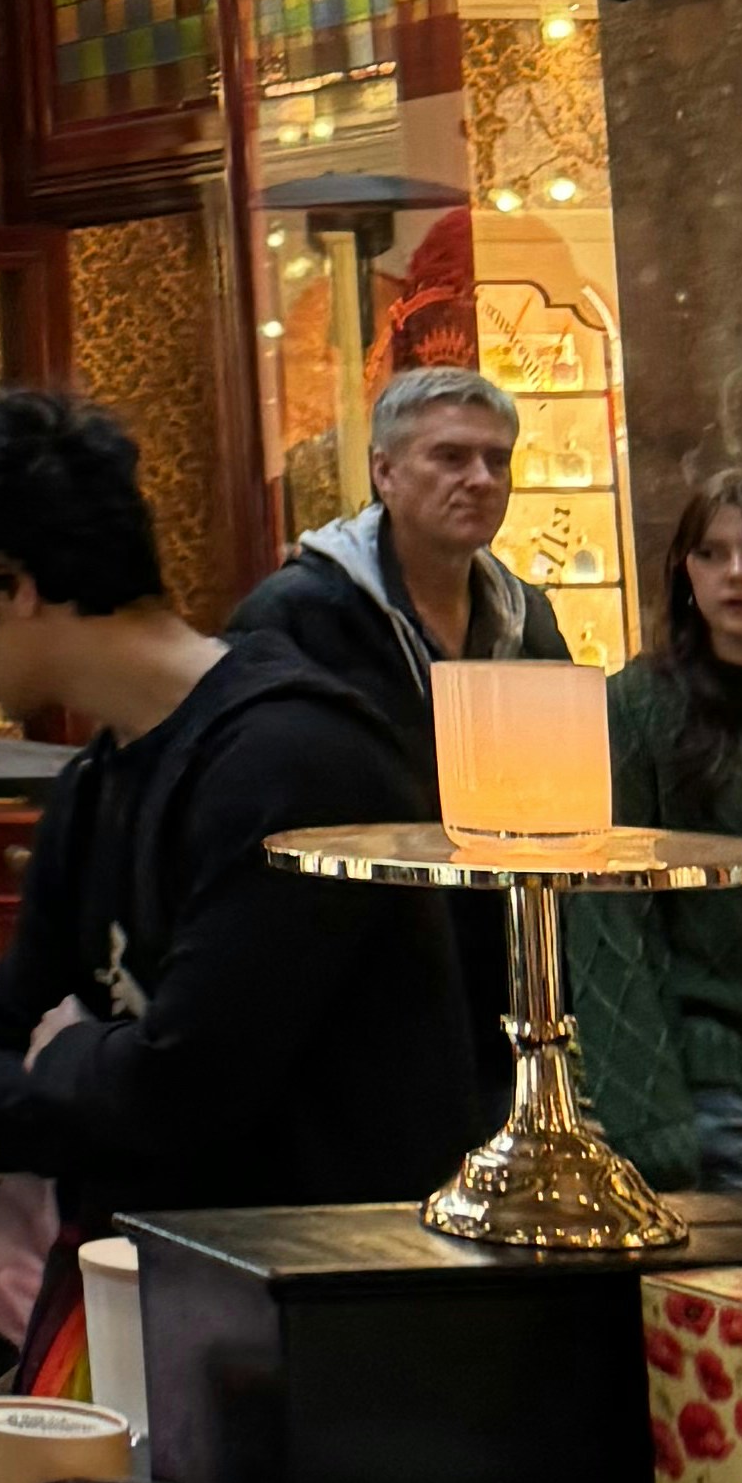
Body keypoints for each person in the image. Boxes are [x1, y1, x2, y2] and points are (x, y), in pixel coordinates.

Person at [0, 387, 475, 1240]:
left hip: (328, 1290)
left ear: (12, 584)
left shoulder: (295, 763)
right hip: (159, 1276)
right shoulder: (94, 781)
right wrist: (83, 1070)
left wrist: (65, 1056)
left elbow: (187, 1089)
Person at [233, 358, 578, 1087]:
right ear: (384, 472)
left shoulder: (529, 618)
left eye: (496, 460)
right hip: (351, 968)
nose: (480, 479)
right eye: (450, 457)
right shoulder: (295, 614)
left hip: (501, 965)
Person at [573, 462, 742, 1192]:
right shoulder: (639, 707)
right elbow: (608, 916)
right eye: (712, 553)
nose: (737, 574)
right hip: (732, 1084)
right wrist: (646, 1117)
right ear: (685, 570)